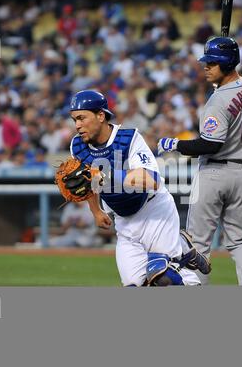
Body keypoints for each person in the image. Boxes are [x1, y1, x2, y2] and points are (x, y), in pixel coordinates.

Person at [69, 89, 209, 287]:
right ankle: (183, 247)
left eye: (82, 118)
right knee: (136, 286)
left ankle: (181, 252)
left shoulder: (128, 138)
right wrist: (96, 211)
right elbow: (87, 183)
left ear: (101, 115)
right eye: (74, 119)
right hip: (124, 222)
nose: (77, 125)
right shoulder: (77, 146)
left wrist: (106, 175)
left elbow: (151, 180)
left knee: (164, 278)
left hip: (154, 212)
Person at [158, 36, 242, 285]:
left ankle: (196, 291)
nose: (206, 67)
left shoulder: (217, 100)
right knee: (239, 241)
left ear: (227, 64)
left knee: (198, 242)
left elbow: (209, 144)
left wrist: (174, 144)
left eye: (212, 63)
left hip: (214, 173)